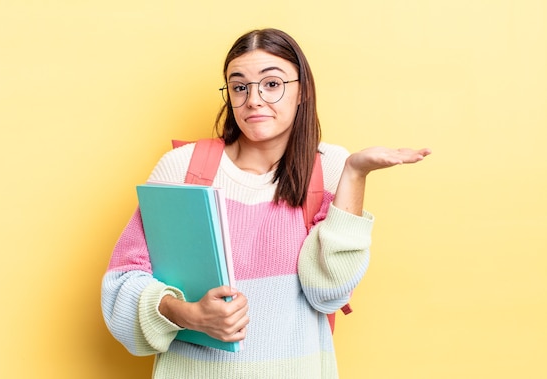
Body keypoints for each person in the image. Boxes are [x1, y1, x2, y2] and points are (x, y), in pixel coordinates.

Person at [101, 28, 430, 378]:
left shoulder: (330, 167)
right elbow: (122, 284)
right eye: (240, 86)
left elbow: (328, 293)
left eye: (271, 84)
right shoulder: (182, 167)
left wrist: (354, 174)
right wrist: (188, 314)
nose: (254, 99)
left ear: (302, 90)